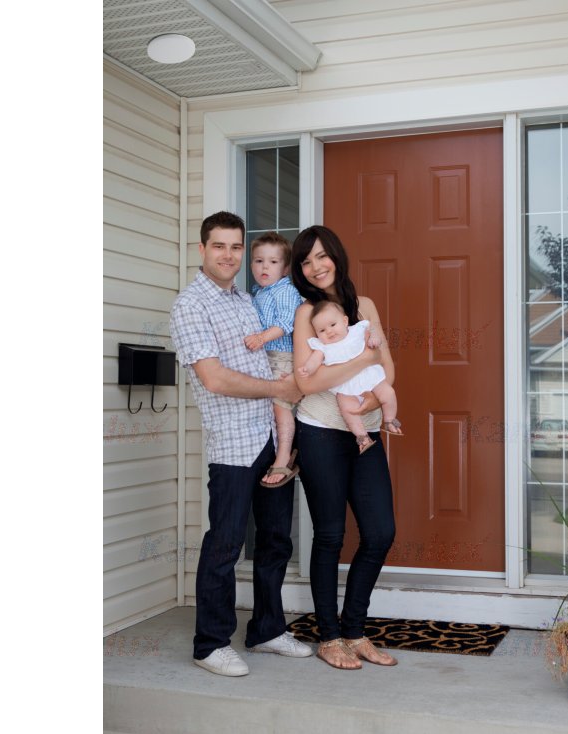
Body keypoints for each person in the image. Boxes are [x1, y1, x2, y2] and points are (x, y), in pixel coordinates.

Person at [169, 211, 312, 677]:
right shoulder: (191, 305)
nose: (228, 255)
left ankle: (267, 630)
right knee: (226, 543)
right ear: (202, 249)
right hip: (233, 444)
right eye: (219, 246)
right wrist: (279, 389)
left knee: (275, 540)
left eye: (235, 247)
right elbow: (214, 378)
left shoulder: (249, 301)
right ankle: (210, 644)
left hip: (271, 439)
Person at [289, 225, 400, 670]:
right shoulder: (306, 313)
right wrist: (363, 361)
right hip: (319, 431)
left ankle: (354, 630)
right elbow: (307, 382)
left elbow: (387, 366)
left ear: (335, 255)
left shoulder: (364, 306)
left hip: (366, 431)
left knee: (380, 532)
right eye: (305, 261)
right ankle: (329, 636)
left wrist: (370, 399)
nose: (315, 267)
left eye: (321, 256)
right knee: (331, 535)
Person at [297, 299, 402, 454]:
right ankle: (362, 437)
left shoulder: (357, 331)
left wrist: (374, 340)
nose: (329, 331)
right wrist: (307, 368)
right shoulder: (322, 347)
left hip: (369, 378)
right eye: (322, 330)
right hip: (345, 387)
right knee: (348, 411)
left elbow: (373, 334)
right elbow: (314, 361)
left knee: (388, 393)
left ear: (345, 321)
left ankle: (389, 420)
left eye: (333, 325)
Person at [244, 232, 305, 487]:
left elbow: (287, 322)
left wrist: (261, 337)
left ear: (285, 268)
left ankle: (284, 457)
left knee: (281, 407)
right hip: (265, 357)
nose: (264, 267)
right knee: (270, 407)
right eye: (258, 261)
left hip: (281, 356)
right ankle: (275, 450)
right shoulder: (258, 292)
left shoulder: (284, 290)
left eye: (272, 262)